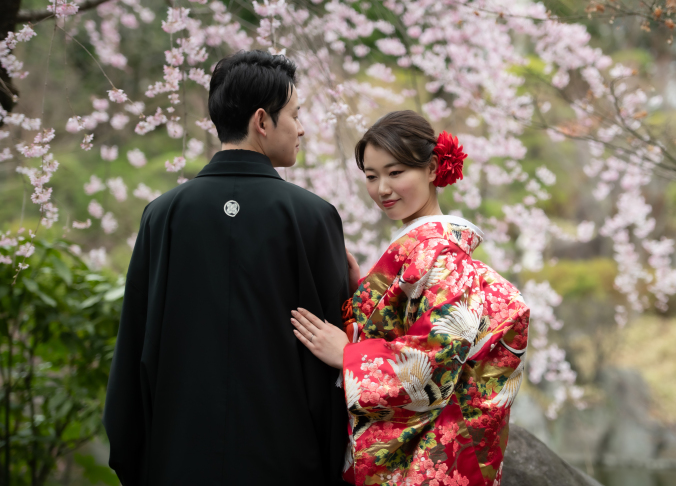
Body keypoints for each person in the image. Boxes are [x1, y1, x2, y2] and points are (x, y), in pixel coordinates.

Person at [103, 50, 354, 486]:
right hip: (287, 462)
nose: (302, 128)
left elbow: (133, 354)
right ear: (262, 121)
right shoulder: (313, 217)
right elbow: (325, 361)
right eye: (295, 114)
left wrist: (137, 460)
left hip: (176, 459)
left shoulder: (163, 216)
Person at [291, 110, 530, 486]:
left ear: (433, 168)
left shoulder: (442, 257)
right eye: (371, 177)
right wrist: (364, 294)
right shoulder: (423, 251)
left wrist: (348, 356)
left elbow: (437, 358)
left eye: (396, 172)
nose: (382, 188)